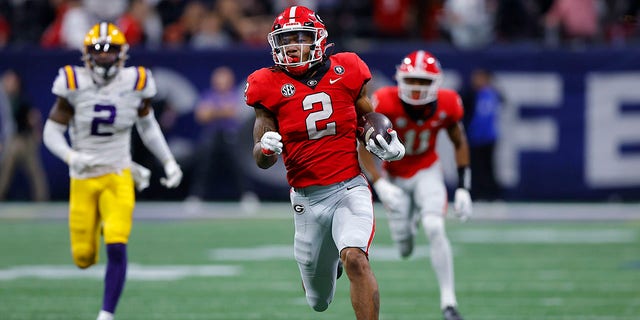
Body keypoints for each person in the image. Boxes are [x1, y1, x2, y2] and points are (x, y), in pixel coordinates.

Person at [245, 6, 405, 320]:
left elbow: (366, 119)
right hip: (306, 199)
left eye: (299, 37)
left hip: (349, 188)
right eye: (285, 39)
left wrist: (387, 142)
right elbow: (261, 157)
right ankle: (327, 265)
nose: (291, 45)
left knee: (356, 258)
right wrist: (265, 149)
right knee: (318, 301)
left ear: (318, 39)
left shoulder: (348, 69)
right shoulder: (266, 84)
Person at [42, 22, 183, 320]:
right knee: (83, 258)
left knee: (117, 244)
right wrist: (70, 156)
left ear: (122, 54)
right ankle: (100, 226)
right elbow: (51, 132)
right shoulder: (73, 82)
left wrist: (169, 160)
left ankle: (107, 314)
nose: (104, 58)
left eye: (110, 52)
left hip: (118, 174)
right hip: (83, 176)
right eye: (98, 51)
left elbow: (148, 126)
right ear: (86, 54)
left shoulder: (135, 81)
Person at [357, 50, 472, 320]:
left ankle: (449, 303)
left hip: (426, 170)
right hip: (395, 176)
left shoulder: (448, 103)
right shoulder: (383, 99)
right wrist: (380, 183)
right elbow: (362, 145)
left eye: (423, 81)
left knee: (434, 225)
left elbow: (459, 141)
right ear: (401, 79)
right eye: (413, 80)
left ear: (435, 82)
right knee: (405, 249)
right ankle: (410, 219)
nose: (417, 87)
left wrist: (464, 187)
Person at [188, 66, 256, 204]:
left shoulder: (236, 95)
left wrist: (213, 111)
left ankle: (247, 195)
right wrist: (221, 111)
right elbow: (201, 116)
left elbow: (234, 113)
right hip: (212, 135)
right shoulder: (208, 95)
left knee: (238, 165)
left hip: (230, 136)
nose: (221, 81)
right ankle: (196, 196)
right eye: (219, 78)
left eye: (224, 78)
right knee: (204, 164)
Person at [0, 69, 49, 201]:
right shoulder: (4, 100)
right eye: (8, 81)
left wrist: (37, 133)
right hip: (12, 140)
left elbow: (33, 116)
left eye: (12, 81)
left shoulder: (22, 98)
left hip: (25, 139)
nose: (10, 84)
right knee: (6, 171)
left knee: (35, 171)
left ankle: (41, 198)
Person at [461, 68, 503, 201]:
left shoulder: (492, 93)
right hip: (474, 137)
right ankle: (475, 195)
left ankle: (492, 195)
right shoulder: (470, 93)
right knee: (474, 168)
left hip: (488, 138)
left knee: (489, 167)